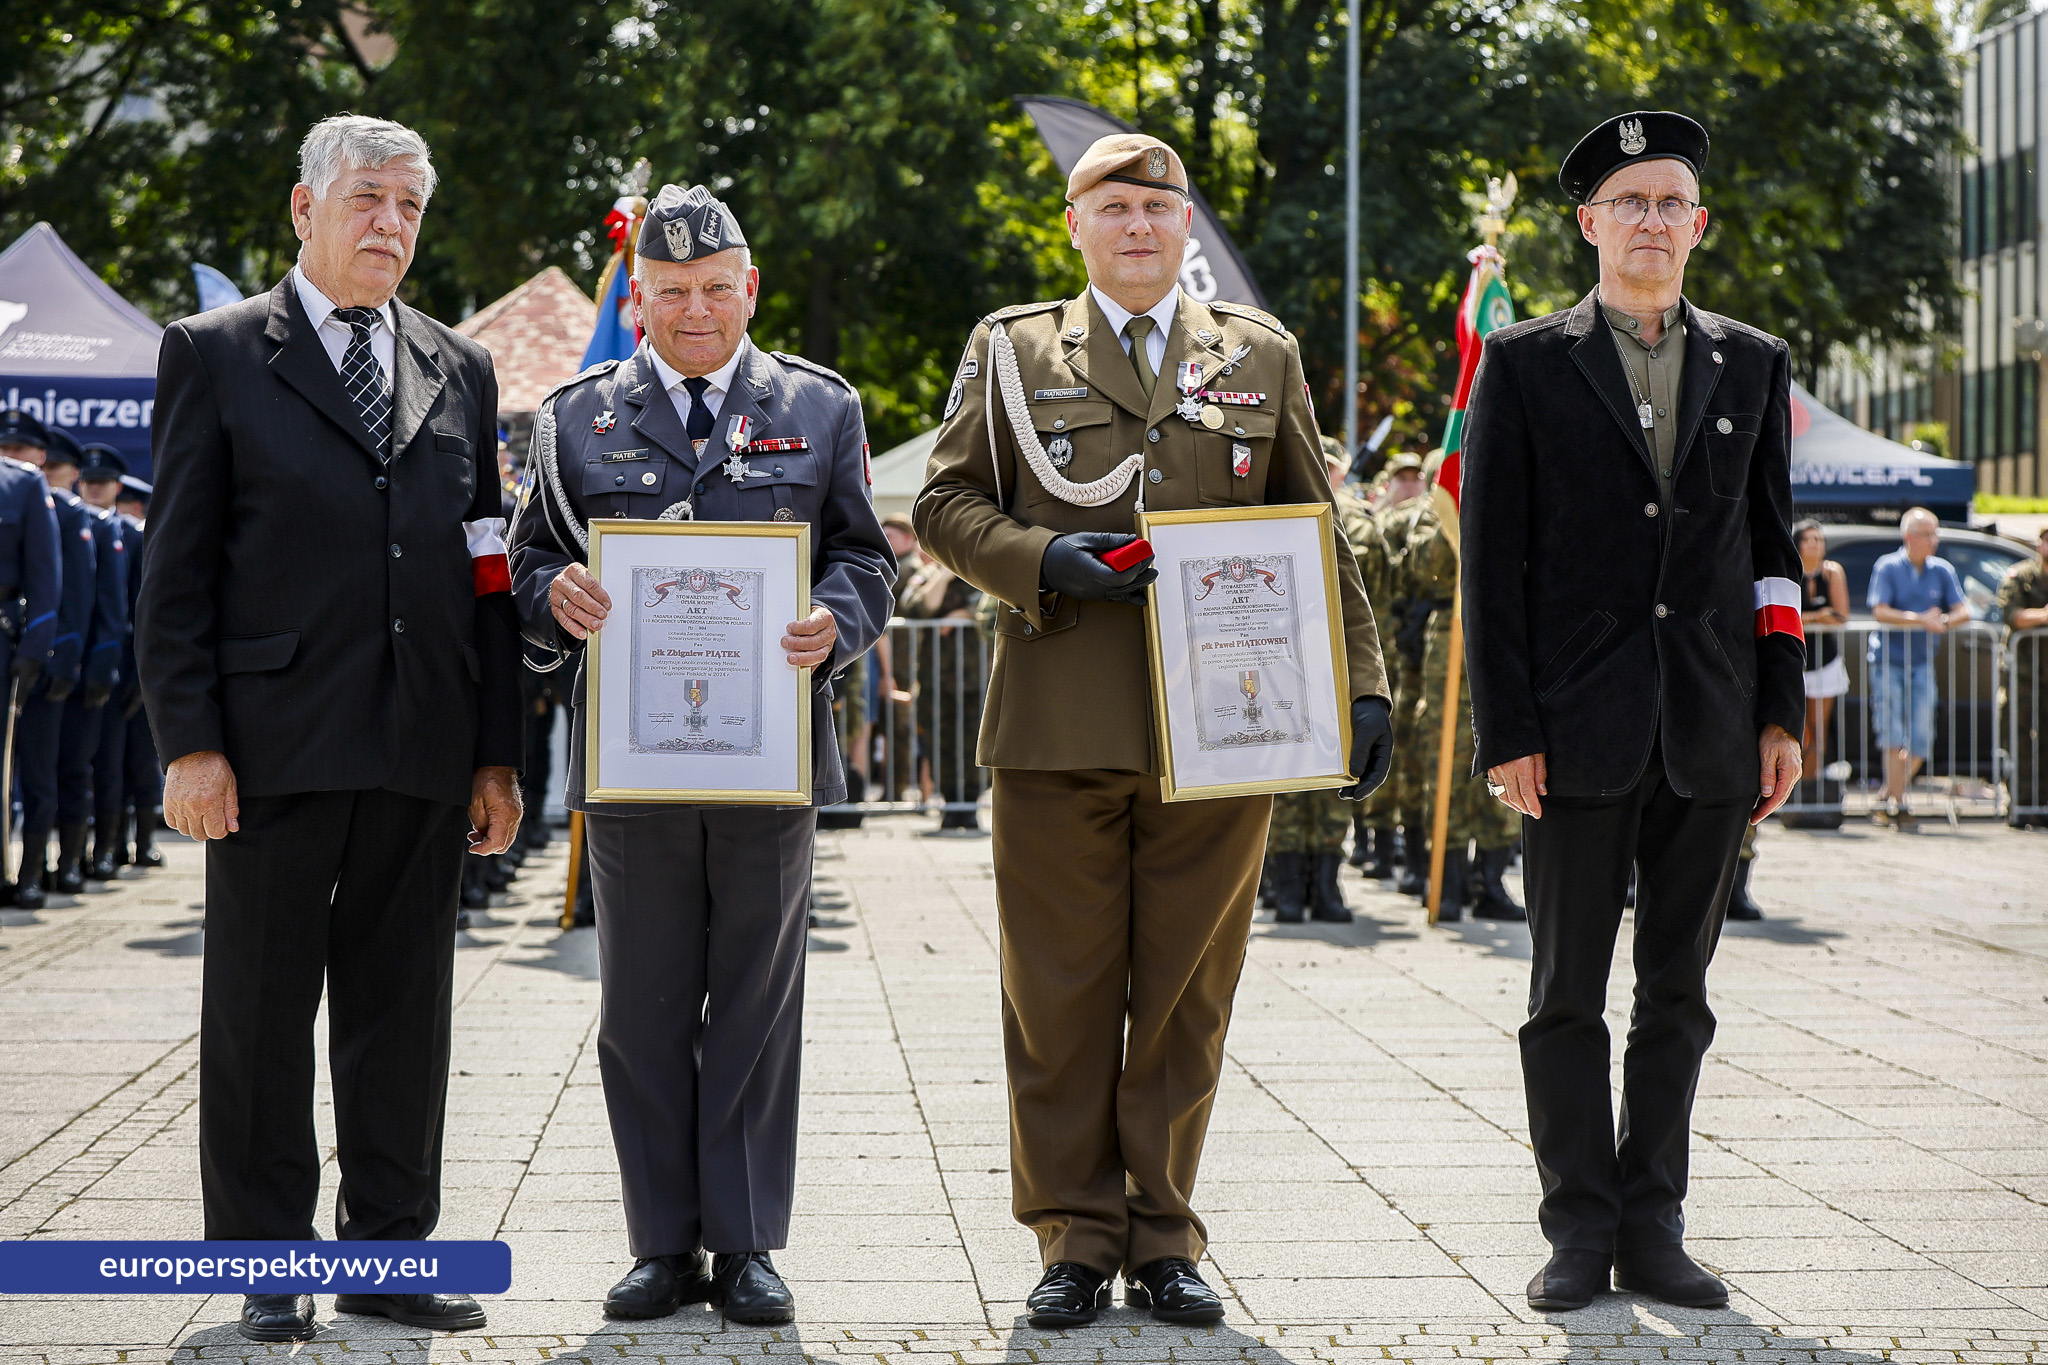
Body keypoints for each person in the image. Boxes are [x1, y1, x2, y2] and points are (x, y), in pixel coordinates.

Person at [915, 132, 1392, 1329]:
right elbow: (941, 504)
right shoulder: (1012, 350)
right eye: (1113, 207)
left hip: (1226, 730)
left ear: (1185, 230)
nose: (1137, 227)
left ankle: (1164, 1231)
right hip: (1057, 722)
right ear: (1072, 224)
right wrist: (1040, 558)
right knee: (1060, 993)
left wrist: (1362, 683)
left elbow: (1315, 527)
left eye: (1157, 209)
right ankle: (1074, 1235)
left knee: (1187, 993)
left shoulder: (1257, 353)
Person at [136, 115, 524, 1343]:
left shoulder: (457, 366)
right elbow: (175, 571)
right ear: (303, 209)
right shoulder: (213, 353)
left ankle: (391, 1256)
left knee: (403, 1016)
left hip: (420, 746)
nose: (391, 226)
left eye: (409, 206)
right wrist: (188, 743)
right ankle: (266, 1261)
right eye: (367, 199)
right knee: (258, 1015)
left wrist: (496, 747)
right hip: (269, 750)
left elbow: (485, 570)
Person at [508, 182, 894, 1327]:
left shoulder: (819, 410)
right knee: (640, 1004)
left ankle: (744, 1243)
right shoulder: (575, 419)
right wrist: (555, 596)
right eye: (669, 291)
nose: (693, 311)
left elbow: (865, 560)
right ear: (636, 296)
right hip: (633, 761)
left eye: (715, 290)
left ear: (749, 290)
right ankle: (660, 1243)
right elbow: (527, 564)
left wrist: (839, 620)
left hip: (770, 754)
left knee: (757, 1006)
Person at [1461, 111, 1805, 1313]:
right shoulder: (1519, 364)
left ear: (1696, 226)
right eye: (1629, 202)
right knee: (1562, 995)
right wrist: (1503, 730)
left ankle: (1652, 1226)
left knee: (1678, 996)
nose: (1650, 221)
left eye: (1670, 202)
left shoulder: (1752, 362)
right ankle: (1576, 1229)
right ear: (1587, 224)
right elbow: (1488, 566)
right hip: (1568, 732)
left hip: (1708, 732)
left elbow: (1771, 556)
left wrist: (1779, 713)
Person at [1402, 455, 1522, 922]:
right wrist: (1454, 514)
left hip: (1504, 635)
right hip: (1448, 642)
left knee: (1506, 757)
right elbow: (1421, 567)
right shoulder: (1433, 513)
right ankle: (1447, 882)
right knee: (1447, 764)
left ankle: (1489, 881)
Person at [14, 429, 103, 909]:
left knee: (50, 772)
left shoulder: (67, 515)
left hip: (49, 661)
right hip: (16, 655)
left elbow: (80, 598)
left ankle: (43, 869)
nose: (13, 459)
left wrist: (65, 659)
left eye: (20, 452)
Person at [1866, 507, 1969, 830]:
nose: (1934, 540)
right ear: (1909, 537)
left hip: (1922, 662)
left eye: (1935, 533)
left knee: (1922, 737)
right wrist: (1919, 620)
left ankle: (1888, 797)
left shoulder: (1941, 569)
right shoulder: (1888, 566)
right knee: (1892, 734)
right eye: (1927, 534)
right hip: (1887, 661)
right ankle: (1899, 805)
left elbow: (1963, 609)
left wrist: (1944, 622)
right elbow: (1880, 610)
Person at [0, 409, 64, 895]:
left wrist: (35, 647)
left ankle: (27, 874)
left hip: (6, 643)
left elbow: (46, 576)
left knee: (22, 767)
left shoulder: (22, 485)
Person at [75, 443, 133, 882]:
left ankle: (109, 846)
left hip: (118, 666)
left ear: (117, 486)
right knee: (74, 764)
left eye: (102, 482)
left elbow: (134, 611)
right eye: (88, 481)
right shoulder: (69, 522)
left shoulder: (133, 535)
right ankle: (74, 853)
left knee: (111, 763)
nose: (94, 489)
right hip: (71, 662)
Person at [113, 475, 162, 867]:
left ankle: (144, 841)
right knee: (110, 763)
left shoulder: (144, 538)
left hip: (140, 667)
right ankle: (113, 844)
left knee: (143, 762)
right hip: (112, 665)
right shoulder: (107, 534)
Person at [1997, 525, 2048, 826]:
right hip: (2024, 673)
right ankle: (2021, 804)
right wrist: (2043, 615)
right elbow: (2012, 616)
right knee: (2019, 737)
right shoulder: (2021, 576)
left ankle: (2043, 805)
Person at [1794, 518, 1850, 789]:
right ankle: (1792, 787)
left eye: (1819, 539)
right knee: (1797, 727)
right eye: (1809, 539)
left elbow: (1840, 615)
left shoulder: (1832, 572)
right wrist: (1819, 616)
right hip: (1796, 659)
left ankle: (1811, 785)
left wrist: (1808, 619)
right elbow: (1790, 617)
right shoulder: (1791, 570)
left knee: (1819, 726)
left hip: (1825, 659)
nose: (1815, 544)